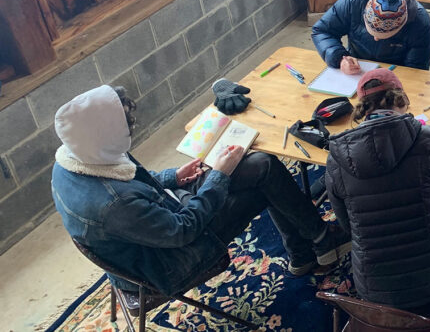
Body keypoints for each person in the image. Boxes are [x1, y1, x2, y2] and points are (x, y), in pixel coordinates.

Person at [51, 85, 347, 297]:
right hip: (172, 258)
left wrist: (173, 177)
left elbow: (130, 177)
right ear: (105, 134)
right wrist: (219, 174)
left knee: (262, 164)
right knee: (263, 182)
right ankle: (318, 243)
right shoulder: (114, 205)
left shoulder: (78, 156)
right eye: (125, 128)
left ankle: (306, 252)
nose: (130, 131)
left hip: (159, 217)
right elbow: (184, 230)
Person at [324, 68, 430, 310]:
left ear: (362, 108)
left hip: (378, 284)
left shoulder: (336, 158)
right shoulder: (427, 138)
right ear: (401, 99)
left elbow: (347, 224)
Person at [312, 0, 430, 73]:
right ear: (364, 14)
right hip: (357, 67)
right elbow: (322, 31)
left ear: (401, 26)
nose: (375, 38)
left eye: (384, 36)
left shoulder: (420, 23)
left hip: (395, 74)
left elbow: (416, 71)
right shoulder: (353, 2)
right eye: (371, 32)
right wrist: (339, 58)